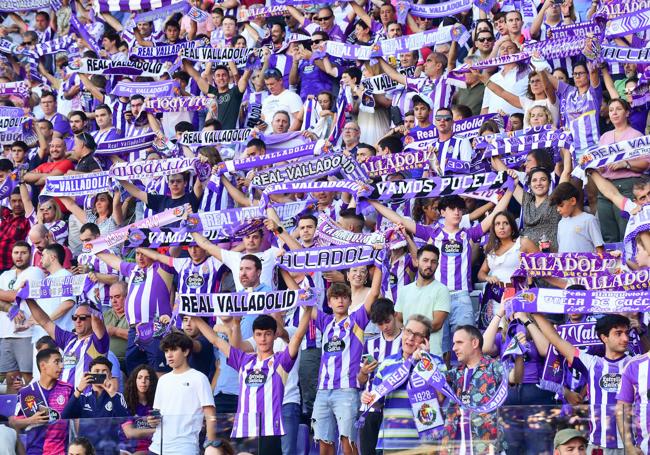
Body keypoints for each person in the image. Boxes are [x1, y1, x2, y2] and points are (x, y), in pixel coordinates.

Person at [533, 313, 632, 453]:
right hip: (599, 446)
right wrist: (533, 311)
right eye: (618, 333)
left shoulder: (637, 363)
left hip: (631, 445)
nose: (625, 338)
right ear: (604, 338)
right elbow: (556, 340)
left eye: (627, 333)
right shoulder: (591, 363)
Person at [96, 249, 174, 374]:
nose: (140, 258)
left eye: (144, 253)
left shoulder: (162, 267)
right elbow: (115, 262)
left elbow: (174, 250)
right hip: (134, 329)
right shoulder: (133, 269)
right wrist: (95, 249)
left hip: (157, 327)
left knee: (159, 367)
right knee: (134, 368)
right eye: (137, 254)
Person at [147, 332, 216, 455]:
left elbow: (210, 414)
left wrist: (210, 446)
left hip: (184, 448)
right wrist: (152, 420)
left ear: (185, 352)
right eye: (166, 351)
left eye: (173, 350)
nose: (169, 355)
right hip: (156, 447)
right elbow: (156, 412)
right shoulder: (162, 380)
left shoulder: (199, 378)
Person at [440, 325, 507, 454]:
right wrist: (422, 358)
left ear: (475, 343)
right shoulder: (455, 373)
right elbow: (434, 381)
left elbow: (513, 377)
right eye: (454, 343)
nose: (454, 348)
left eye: (459, 342)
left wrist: (519, 356)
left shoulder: (493, 367)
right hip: (458, 448)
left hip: (489, 447)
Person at [24, 296, 109, 390]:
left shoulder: (98, 342)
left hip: (85, 400)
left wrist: (94, 310)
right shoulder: (69, 339)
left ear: (92, 319)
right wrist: (28, 299)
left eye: (83, 318)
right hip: (63, 399)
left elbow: (99, 324)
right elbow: (45, 322)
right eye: (74, 317)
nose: (78, 321)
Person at [357, 298, 403, 455]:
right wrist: (363, 373)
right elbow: (362, 380)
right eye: (380, 324)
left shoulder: (407, 342)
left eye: (387, 321)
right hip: (370, 406)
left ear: (395, 315)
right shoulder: (369, 344)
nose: (385, 327)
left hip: (398, 408)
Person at [10, 348, 73, 455]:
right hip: (35, 451)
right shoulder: (26, 392)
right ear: (43, 366)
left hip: (62, 451)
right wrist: (31, 420)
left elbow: (77, 419)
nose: (61, 366)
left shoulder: (68, 389)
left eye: (61, 362)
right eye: (57, 362)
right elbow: (13, 423)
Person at [0, 242, 45, 389]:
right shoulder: (6, 275)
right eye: (16, 252)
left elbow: (18, 295)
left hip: (26, 333)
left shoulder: (35, 272)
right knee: (10, 379)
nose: (19, 256)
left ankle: (30, 411)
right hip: (5, 334)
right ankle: (12, 412)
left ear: (30, 254)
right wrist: (9, 308)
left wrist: (9, 295)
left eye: (23, 253)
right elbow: (12, 296)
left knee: (27, 377)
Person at [394, 245, 449, 356]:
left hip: (430, 354)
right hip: (406, 354)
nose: (429, 265)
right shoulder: (404, 290)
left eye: (433, 262)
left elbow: (437, 323)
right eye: (425, 260)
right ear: (417, 261)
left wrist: (412, 334)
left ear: (437, 265)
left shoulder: (442, 290)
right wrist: (410, 338)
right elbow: (398, 320)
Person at [62, 356, 128, 419]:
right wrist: (78, 390)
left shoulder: (118, 397)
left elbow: (125, 420)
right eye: (96, 371)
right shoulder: (83, 397)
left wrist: (112, 394)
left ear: (110, 375)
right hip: (87, 431)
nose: (100, 374)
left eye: (104, 371)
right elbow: (64, 417)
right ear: (90, 374)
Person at [549, 182, 605, 254]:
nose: (558, 209)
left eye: (561, 205)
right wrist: (550, 249)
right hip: (565, 264)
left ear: (573, 201)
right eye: (556, 207)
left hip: (585, 264)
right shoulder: (561, 223)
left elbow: (600, 248)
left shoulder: (589, 220)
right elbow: (562, 250)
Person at [121, 365, 157, 455]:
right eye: (139, 378)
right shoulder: (125, 403)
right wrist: (157, 431)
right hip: (127, 449)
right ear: (134, 381)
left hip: (152, 449)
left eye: (147, 378)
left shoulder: (157, 405)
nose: (143, 381)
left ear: (152, 382)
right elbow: (129, 433)